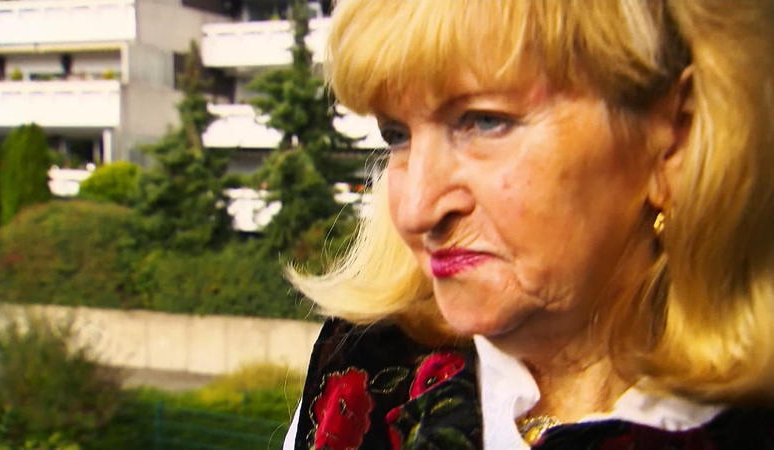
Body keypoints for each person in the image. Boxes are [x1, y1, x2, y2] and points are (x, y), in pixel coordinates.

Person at [283, 0, 774, 448]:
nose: (416, 210)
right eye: (397, 134)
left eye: (484, 121)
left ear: (674, 138)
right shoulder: (361, 374)